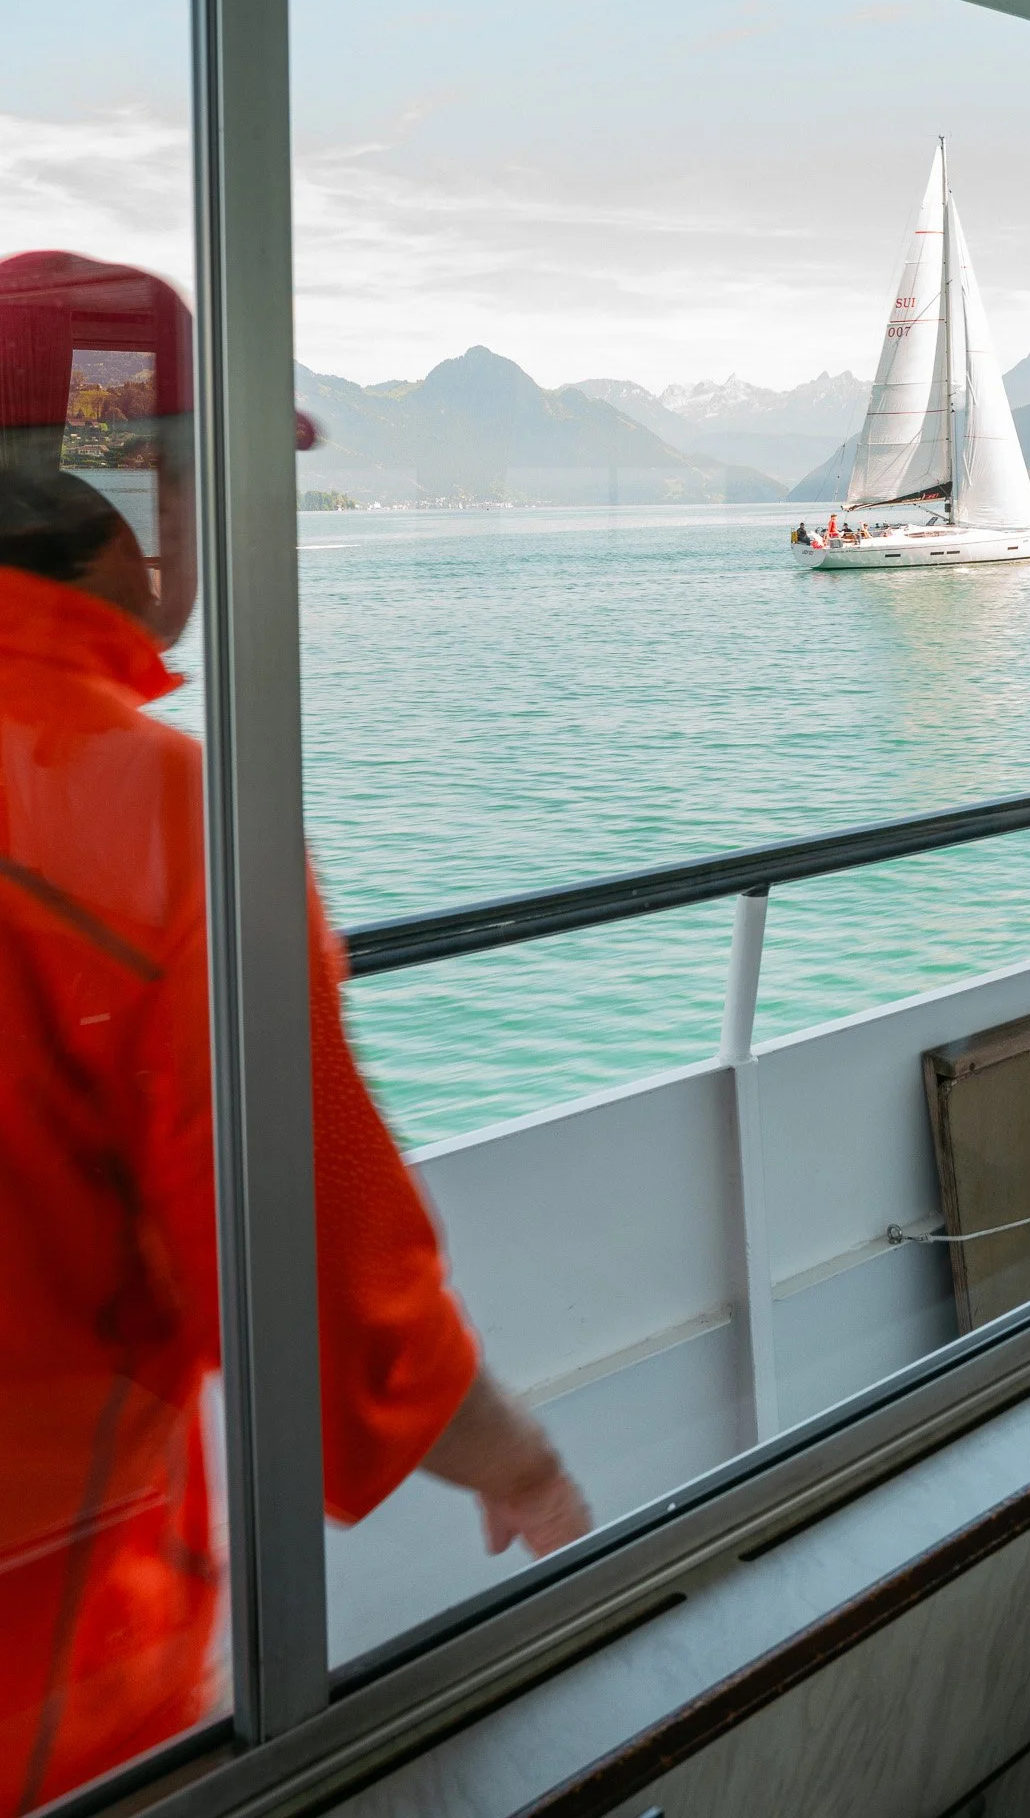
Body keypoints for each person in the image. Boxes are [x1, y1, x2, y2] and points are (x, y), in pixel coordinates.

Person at [0, 251, 589, 1814]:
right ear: (143, 499)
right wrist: (508, 1453)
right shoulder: (158, 825)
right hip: (53, 1686)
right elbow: (312, 1263)